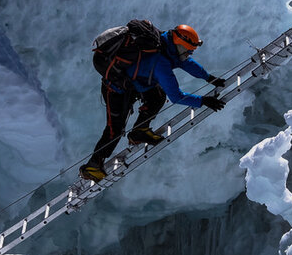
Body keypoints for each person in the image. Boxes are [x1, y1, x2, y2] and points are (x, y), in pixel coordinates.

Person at [80, 24, 226, 182]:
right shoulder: (160, 62)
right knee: (115, 129)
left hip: (134, 83)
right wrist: (203, 101)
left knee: (157, 96)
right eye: (188, 50)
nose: (189, 54)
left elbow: (187, 63)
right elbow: (176, 97)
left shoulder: (165, 44)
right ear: (179, 44)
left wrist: (209, 78)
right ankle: (93, 166)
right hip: (116, 89)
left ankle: (139, 131)